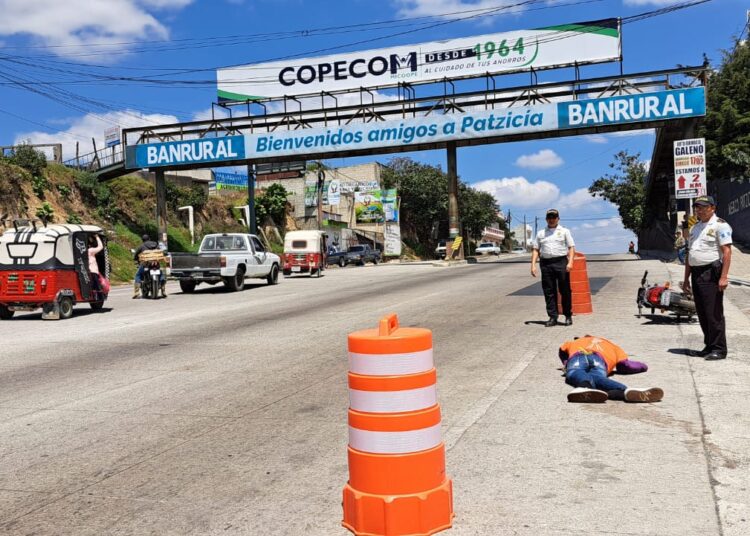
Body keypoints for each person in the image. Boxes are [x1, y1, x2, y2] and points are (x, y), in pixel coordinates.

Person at [682, 196, 733, 360]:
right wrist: (686, 279)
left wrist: (724, 277)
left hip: (711, 272)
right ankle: (709, 346)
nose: (700, 210)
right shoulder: (695, 228)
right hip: (696, 273)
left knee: (713, 312)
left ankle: (719, 349)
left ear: (712, 208)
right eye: (697, 207)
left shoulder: (720, 225)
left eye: (704, 207)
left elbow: (727, 252)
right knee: (702, 312)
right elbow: (690, 254)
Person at [559, 335, 664, 403]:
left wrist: (566, 363)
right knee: (598, 378)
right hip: (600, 361)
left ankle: (584, 387)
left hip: (579, 356)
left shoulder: (576, 341)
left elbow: (562, 349)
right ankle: (624, 391)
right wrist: (643, 366)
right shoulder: (614, 346)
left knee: (576, 371)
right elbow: (625, 365)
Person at [530, 208, 575, 327]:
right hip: (546, 264)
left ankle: (568, 315)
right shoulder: (541, 233)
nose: (551, 219)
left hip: (561, 262)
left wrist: (570, 262)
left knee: (564, 290)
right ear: (546, 219)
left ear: (558, 219)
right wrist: (533, 265)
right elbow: (535, 249)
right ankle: (552, 317)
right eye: (549, 217)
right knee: (549, 291)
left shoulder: (565, 231)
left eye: (554, 217)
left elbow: (571, 247)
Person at [133, 234, 166, 299]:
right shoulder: (156, 244)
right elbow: (160, 252)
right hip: (156, 264)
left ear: (143, 240)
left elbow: (136, 255)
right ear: (149, 239)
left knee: (138, 275)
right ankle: (163, 290)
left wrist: (135, 259)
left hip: (146, 264)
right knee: (161, 274)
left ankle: (136, 293)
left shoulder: (142, 246)